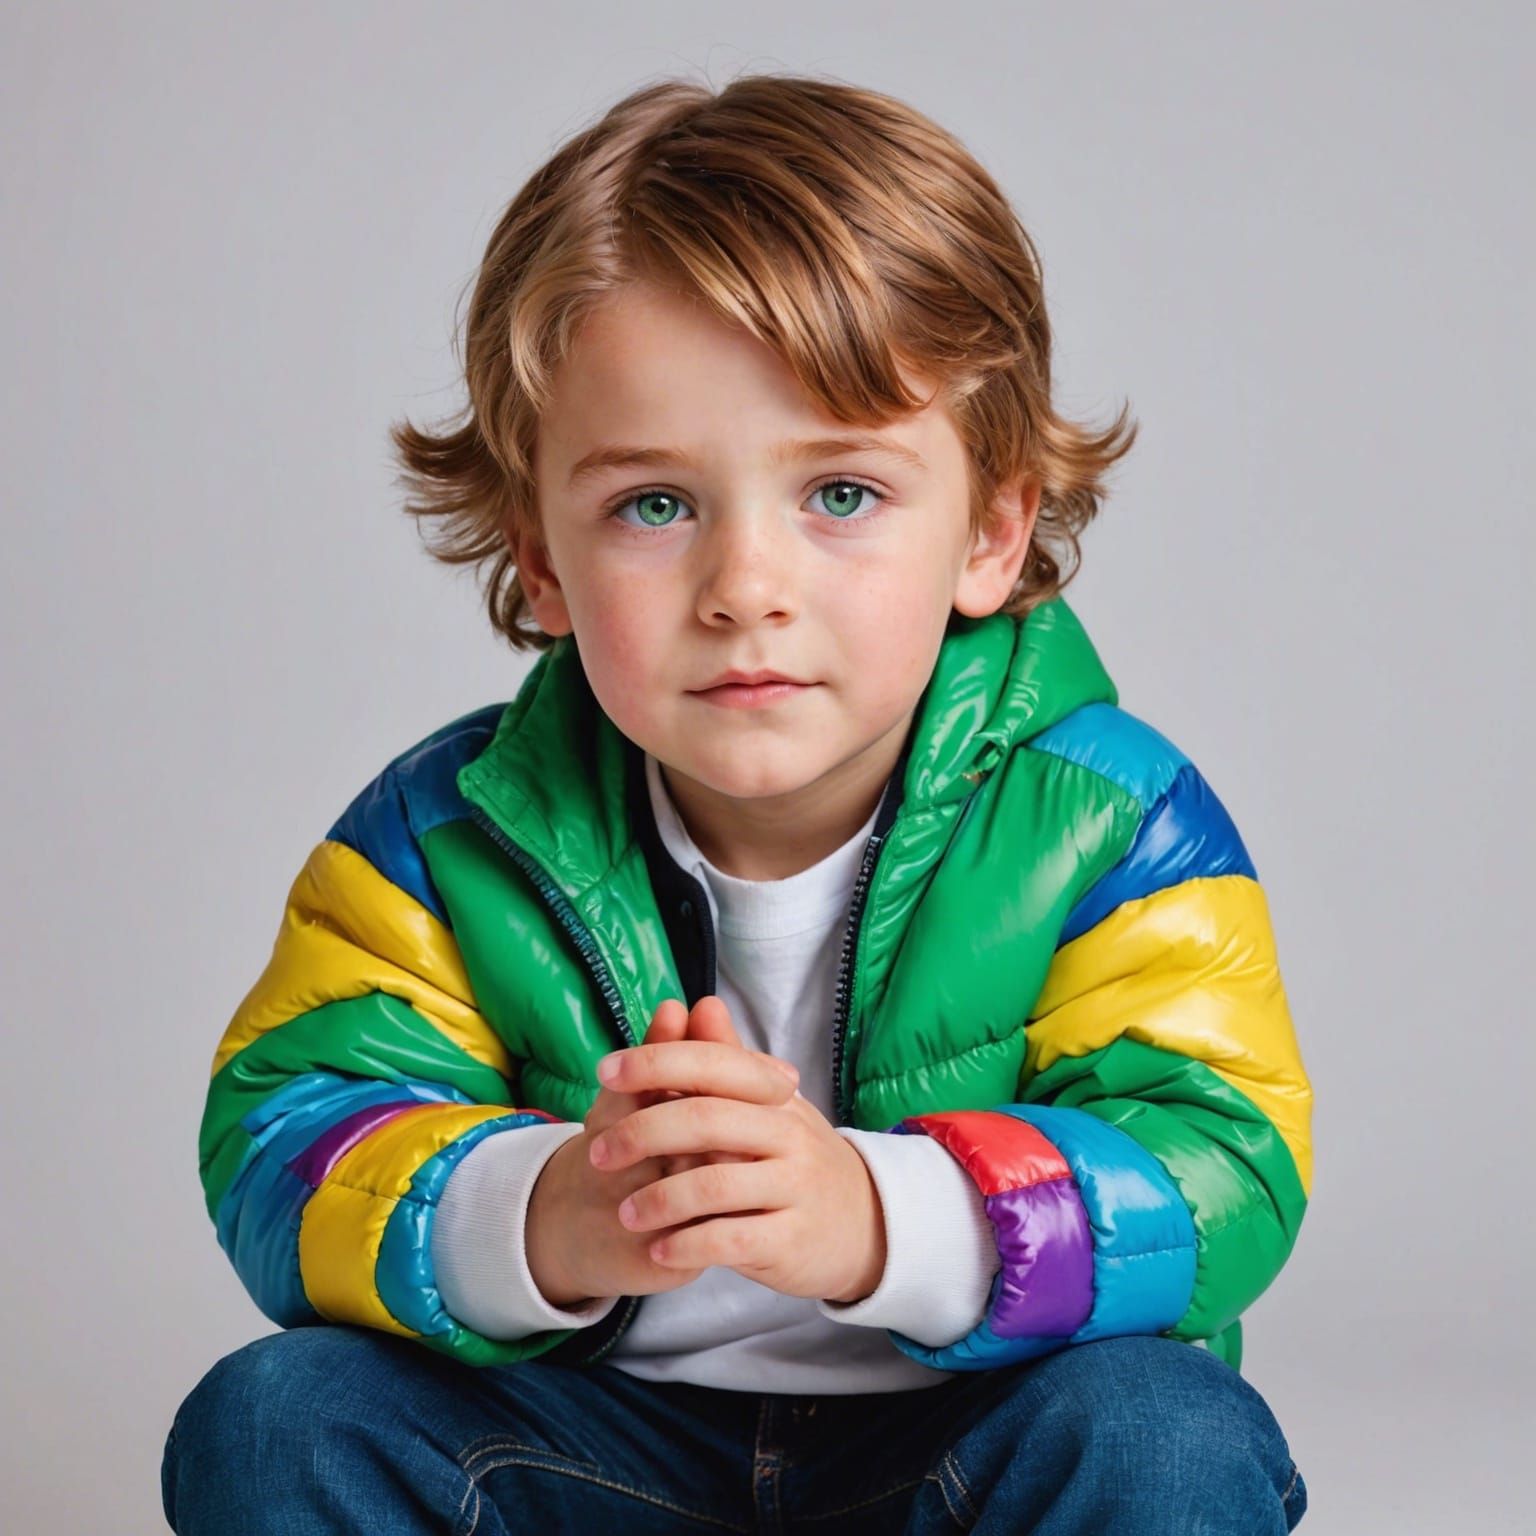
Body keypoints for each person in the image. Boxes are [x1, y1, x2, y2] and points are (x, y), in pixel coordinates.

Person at [161, 72, 1312, 1534]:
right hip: (588, 1457)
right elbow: (287, 1142)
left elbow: (1220, 1164)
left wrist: (874, 1215)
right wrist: (545, 1211)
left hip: (958, 1456)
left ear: (993, 530)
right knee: (275, 1422)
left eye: (841, 494)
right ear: (540, 556)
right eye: (655, 505)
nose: (745, 588)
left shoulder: (1105, 821)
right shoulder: (446, 837)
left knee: (1163, 1437)